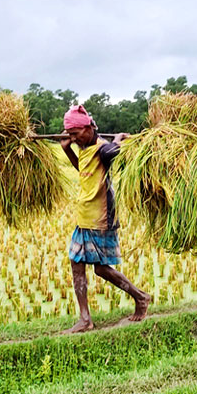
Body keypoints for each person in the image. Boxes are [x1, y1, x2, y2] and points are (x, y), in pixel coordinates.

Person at [59, 105, 151, 333]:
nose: (73, 138)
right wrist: (68, 150)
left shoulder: (104, 150)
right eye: (69, 134)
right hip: (85, 215)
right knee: (77, 264)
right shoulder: (84, 148)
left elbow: (114, 152)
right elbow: (84, 170)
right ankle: (85, 319)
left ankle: (140, 297)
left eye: (75, 133)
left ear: (89, 127)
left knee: (99, 268)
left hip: (101, 217)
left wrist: (118, 139)